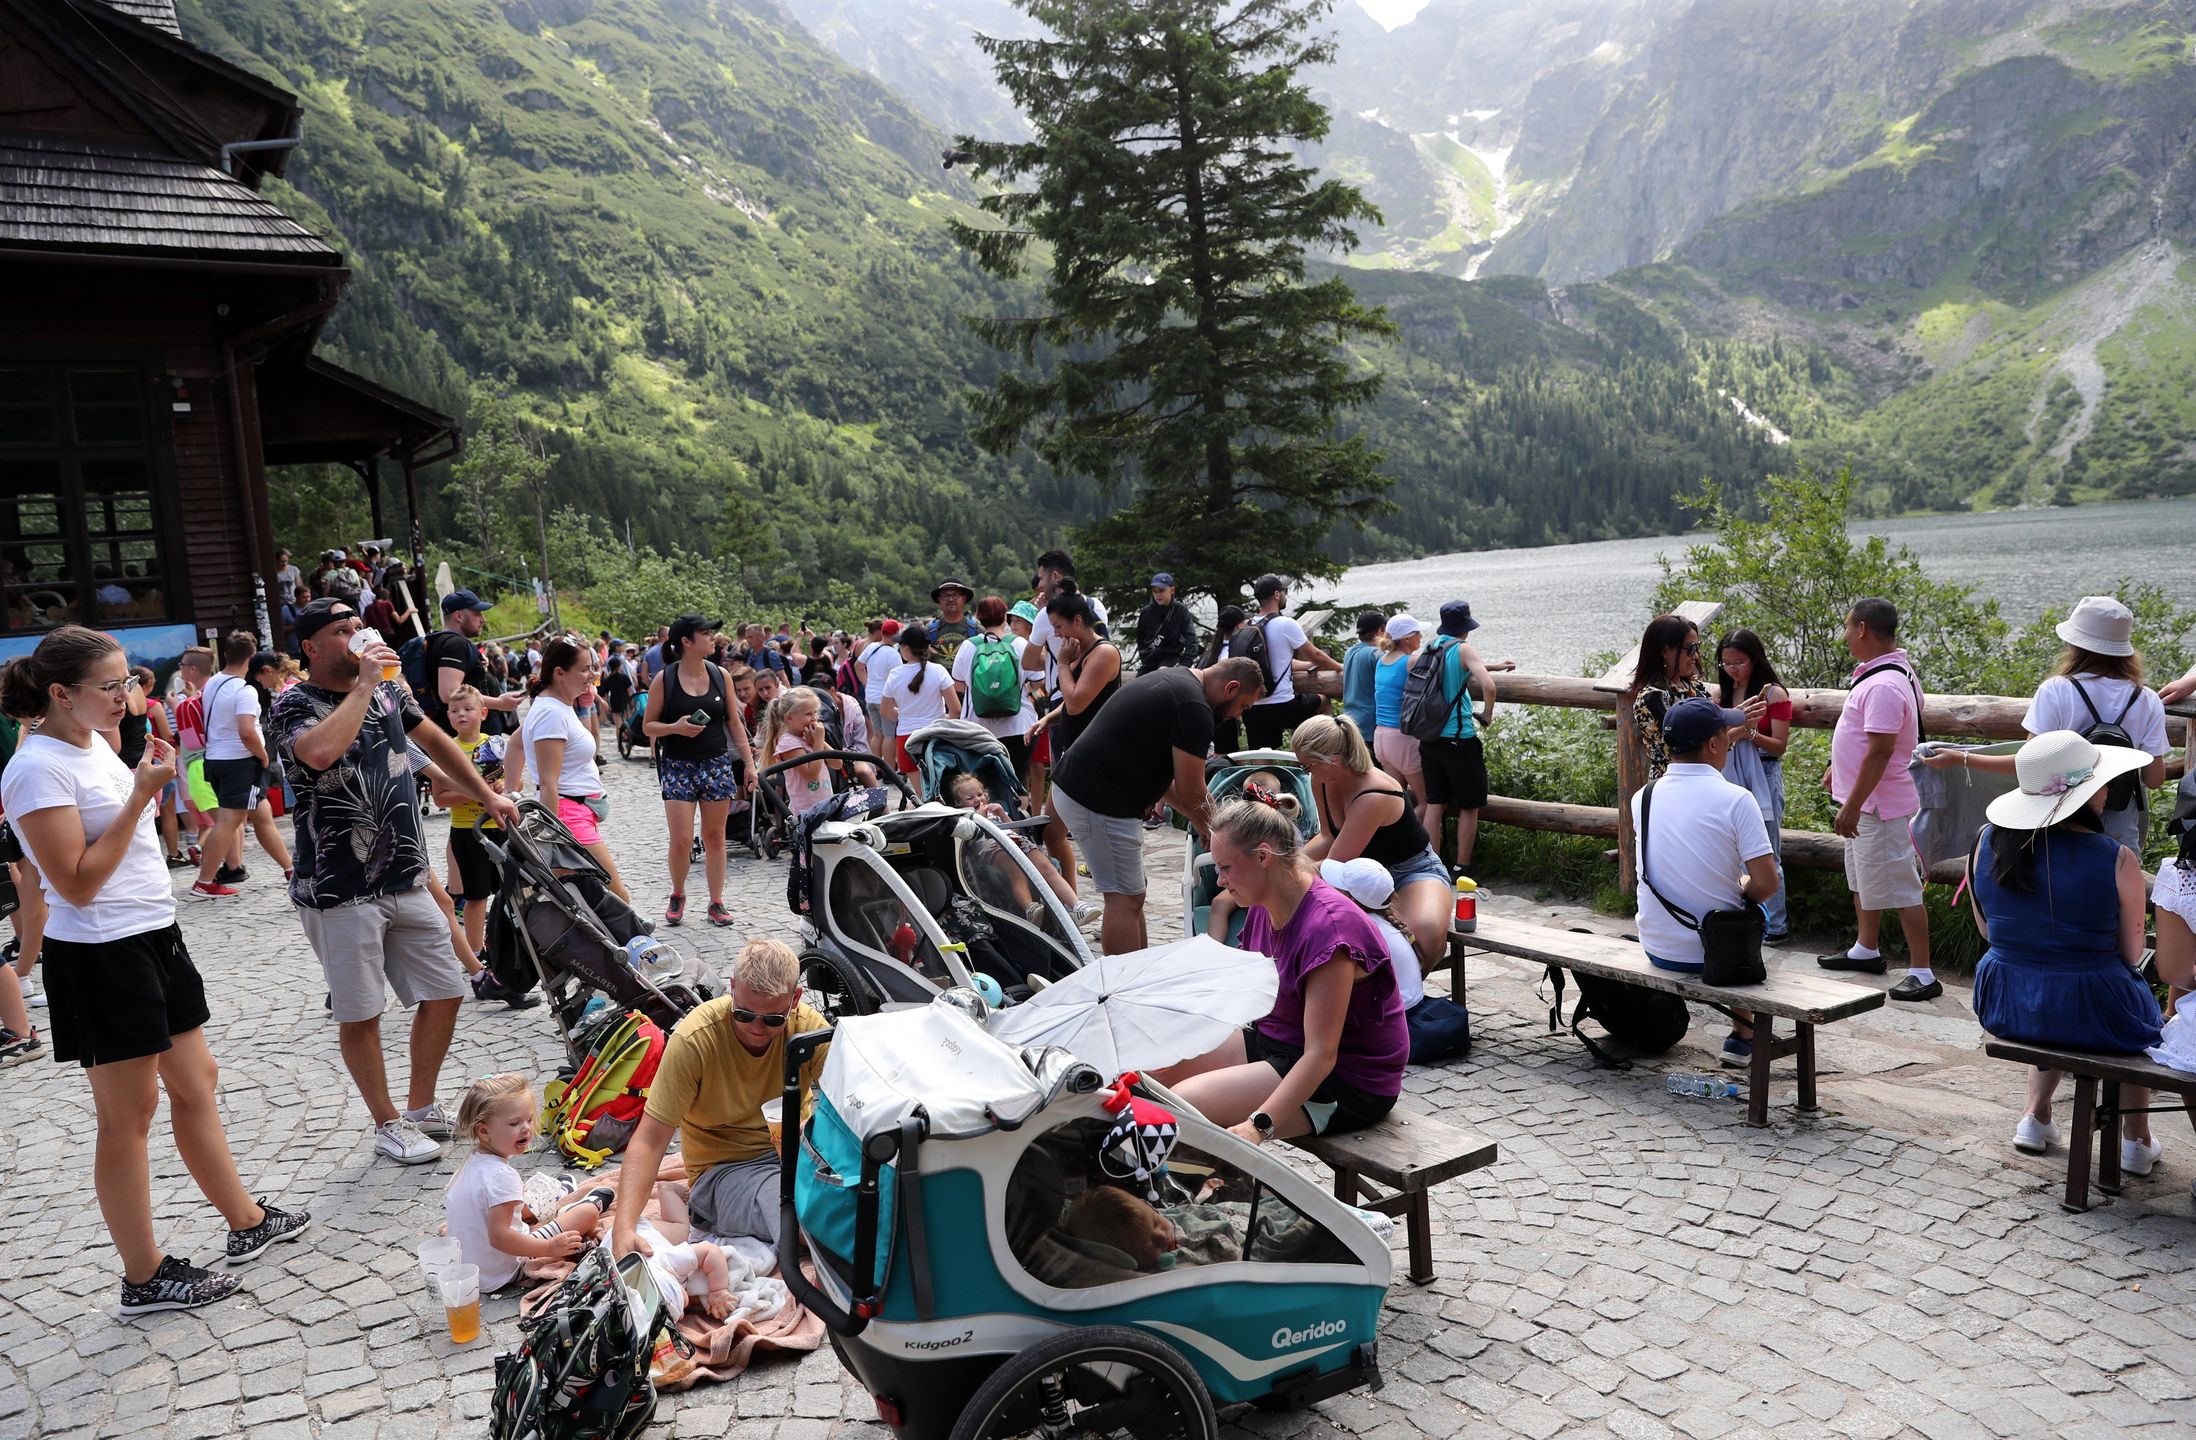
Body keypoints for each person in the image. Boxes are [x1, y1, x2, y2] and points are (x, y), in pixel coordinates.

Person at [3, 626, 310, 1312]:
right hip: (100, 952)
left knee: (197, 1081)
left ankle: (246, 1222)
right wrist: (143, 794)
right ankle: (143, 1275)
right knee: (128, 1115)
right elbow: (75, 884)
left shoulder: (94, 745)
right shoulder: (35, 768)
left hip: (153, 934)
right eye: (110, 686)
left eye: (130, 681)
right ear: (60, 694)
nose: (128, 696)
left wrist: (141, 777)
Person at [274, 598, 522, 1166]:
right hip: (339, 885)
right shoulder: (293, 703)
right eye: (342, 631)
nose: (357, 635)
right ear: (310, 647)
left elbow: (431, 742)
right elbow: (317, 754)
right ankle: (386, 1122)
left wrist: (485, 794)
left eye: (358, 625)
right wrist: (364, 684)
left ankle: (418, 1108)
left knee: (445, 990)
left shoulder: (390, 688)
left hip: (406, 874)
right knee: (361, 1011)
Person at [1966, 731, 2173, 1173]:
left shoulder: (1986, 841)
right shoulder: (2117, 857)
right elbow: (2131, 950)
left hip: (2004, 999)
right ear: (2087, 791)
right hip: (2091, 1006)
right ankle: (2136, 1140)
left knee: (2056, 990)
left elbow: (1988, 930)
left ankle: (2035, 1117)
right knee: (2139, 1013)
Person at [1158, 798, 1407, 1141]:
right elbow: (1246, 992)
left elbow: (1321, 1055)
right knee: (1154, 1074)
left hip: (1345, 1079)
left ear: (1263, 857)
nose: (1219, 881)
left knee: (1178, 1109)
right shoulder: (1264, 900)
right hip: (1279, 1041)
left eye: (1226, 868)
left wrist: (1256, 1127)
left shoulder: (1330, 930)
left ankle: (1204, 1189)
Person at [610, 940, 830, 1254]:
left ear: (795, 999)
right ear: (732, 987)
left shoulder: (807, 1028)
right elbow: (649, 1139)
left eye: (772, 1020)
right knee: (807, 1223)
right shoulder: (696, 1038)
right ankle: (693, 1202)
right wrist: (624, 1228)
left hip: (798, 1154)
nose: (757, 1028)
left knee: (852, 1205)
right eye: (744, 1014)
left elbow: (853, 1100)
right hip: (725, 1170)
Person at [1918, 596, 2169, 854]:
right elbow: (2154, 778)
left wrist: (1961, 758)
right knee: (2117, 889)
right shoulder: (2146, 698)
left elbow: (2028, 765)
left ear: (2075, 645)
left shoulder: (2057, 691)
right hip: (2119, 827)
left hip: (2057, 820)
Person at [1047, 658, 1265, 953]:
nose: (1239, 716)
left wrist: (1210, 827)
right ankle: (1123, 989)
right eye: (1244, 707)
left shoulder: (1177, 682)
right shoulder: (1194, 707)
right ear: (1231, 687)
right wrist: (1217, 835)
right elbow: (1193, 791)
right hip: (1097, 798)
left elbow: (1168, 783)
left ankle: (1141, 979)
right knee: (1123, 898)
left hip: (1086, 788)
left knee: (1132, 896)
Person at [1630, 698, 1782, 1067]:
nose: (1730, 741)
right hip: (1714, 955)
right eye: (1724, 735)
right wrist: (1744, 886)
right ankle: (1742, 1036)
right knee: (1750, 905)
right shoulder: (1736, 799)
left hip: (1659, 945)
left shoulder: (1643, 797)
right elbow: (1768, 883)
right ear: (1714, 745)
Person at [1817, 598, 1936, 1001]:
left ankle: (1923, 971)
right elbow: (1870, 739)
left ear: (1863, 628)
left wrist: (1852, 802)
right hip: (1868, 799)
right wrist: (1840, 768)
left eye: (1848, 627)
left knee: (1901, 885)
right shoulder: (1890, 671)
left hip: (1879, 805)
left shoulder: (1884, 683)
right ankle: (1865, 949)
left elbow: (1883, 749)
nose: (1846, 635)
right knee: (1863, 876)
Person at [1293, 713, 1453, 969]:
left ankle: (1404, 999)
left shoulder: (1373, 795)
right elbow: (1328, 837)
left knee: (1423, 934)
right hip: (1361, 872)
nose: (1306, 772)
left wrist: (1288, 871)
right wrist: (1291, 862)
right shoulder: (1322, 778)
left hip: (1413, 871)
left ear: (1332, 760)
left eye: (1307, 766)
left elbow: (1334, 862)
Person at [444, 1073, 614, 1293]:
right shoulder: (501, 1176)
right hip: (505, 1270)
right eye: (514, 1123)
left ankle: (558, 1197)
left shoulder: (471, 1162)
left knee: (519, 1201)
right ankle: (576, 1201)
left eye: (529, 1119)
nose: (526, 1128)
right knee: (588, 1214)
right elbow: (499, 1238)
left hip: (471, 1270)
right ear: (484, 1130)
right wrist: (549, 1247)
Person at [643, 615, 755, 928]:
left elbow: (734, 722)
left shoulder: (721, 675)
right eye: (705, 634)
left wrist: (748, 764)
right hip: (678, 765)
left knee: (715, 836)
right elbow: (647, 725)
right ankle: (678, 893)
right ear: (686, 642)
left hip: (716, 763)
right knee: (680, 839)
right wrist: (675, 727)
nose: (712, 638)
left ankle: (716, 901)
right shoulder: (664, 679)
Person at [1318, 857, 1471, 1064]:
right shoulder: (1380, 920)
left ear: (1350, 899)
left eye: (1335, 887)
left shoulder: (1361, 930)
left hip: (1393, 1016)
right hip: (1407, 1006)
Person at [522, 636, 630, 905]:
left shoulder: (556, 706)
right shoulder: (552, 713)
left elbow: (515, 744)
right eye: (585, 669)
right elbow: (548, 783)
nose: (592, 675)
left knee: (581, 906)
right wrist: (553, 838)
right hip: (569, 818)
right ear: (560, 673)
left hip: (577, 813)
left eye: (592, 667)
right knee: (618, 899)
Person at [439, 686, 529, 1001]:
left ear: (483, 713)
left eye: (467, 709)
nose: (461, 715)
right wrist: (481, 792)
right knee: (476, 897)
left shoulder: (496, 745)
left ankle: (506, 943)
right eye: (454, 711)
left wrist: (504, 787)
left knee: (508, 893)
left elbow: (516, 783)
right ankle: (476, 955)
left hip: (500, 827)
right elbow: (440, 798)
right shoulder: (445, 750)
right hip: (467, 830)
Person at [189, 631, 292, 899]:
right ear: (252, 656)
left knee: (262, 816)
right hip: (239, 762)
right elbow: (247, 731)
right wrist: (263, 755)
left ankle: (291, 869)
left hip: (216, 759)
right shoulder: (244, 690)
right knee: (228, 821)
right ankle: (205, 882)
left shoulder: (213, 682)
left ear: (226, 654)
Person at [1717, 629, 1793, 943]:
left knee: (1767, 850)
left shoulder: (1774, 694)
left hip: (1764, 772)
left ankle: (1776, 924)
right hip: (1730, 773)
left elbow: (1779, 745)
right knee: (1730, 851)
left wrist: (1749, 733)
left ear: (1755, 659)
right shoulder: (1720, 694)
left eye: (1739, 662)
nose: (1733, 669)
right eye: (1726, 663)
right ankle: (1742, 916)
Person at [1420, 601, 1506, 874]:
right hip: (1459, 739)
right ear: (1466, 627)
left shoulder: (1431, 647)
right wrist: (1487, 714)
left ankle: (1433, 867)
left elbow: (1464, 667)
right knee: (1470, 805)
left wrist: (1493, 665)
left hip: (1430, 738)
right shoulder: (1464, 648)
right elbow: (1488, 686)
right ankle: (1462, 867)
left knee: (1435, 804)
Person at [1238, 573, 1342, 752]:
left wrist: (1307, 666)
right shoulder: (1286, 623)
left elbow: (1277, 661)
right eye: (1284, 591)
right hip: (1283, 707)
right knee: (1323, 701)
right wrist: (1340, 667)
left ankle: (1260, 779)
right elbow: (1316, 655)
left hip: (1253, 709)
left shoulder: (1247, 625)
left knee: (1261, 760)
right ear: (1277, 595)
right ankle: (1314, 754)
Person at [1027, 582, 1120, 761]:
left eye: (1059, 626)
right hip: (1076, 749)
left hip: (1097, 753)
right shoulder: (1078, 650)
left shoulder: (1103, 653)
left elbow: (1075, 704)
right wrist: (1048, 719)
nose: (1056, 633)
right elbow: (1075, 697)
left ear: (1077, 620)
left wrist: (1062, 663)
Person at [951, 596, 1039, 781]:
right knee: (1017, 780)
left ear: (978, 617)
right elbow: (1039, 682)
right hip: (1019, 726)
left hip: (977, 728)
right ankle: (1017, 811)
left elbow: (959, 686)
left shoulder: (968, 646)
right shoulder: (1020, 644)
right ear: (1004, 616)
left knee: (983, 783)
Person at [1625, 613, 1712, 782]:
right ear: (1665, 651)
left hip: (1704, 781)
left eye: (1697, 647)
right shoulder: (1651, 699)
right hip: (1670, 787)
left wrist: (1743, 724)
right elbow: (1680, 750)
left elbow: (1716, 741)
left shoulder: (1696, 688)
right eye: (1691, 649)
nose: (1696, 656)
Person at [425, 591, 521, 734]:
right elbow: (449, 693)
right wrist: (500, 704)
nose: (483, 619)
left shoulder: (440, 640)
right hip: (466, 739)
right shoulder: (455, 644)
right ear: (459, 616)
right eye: (477, 613)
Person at [881, 625, 960, 779]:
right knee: (943, 793)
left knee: (922, 800)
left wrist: (903, 713)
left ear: (906, 649)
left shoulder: (895, 675)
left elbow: (885, 712)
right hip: (936, 737)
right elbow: (956, 709)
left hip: (907, 740)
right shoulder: (939, 671)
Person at [1370, 615, 1428, 823]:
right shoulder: (1410, 661)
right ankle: (1417, 844)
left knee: (1397, 800)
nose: (1421, 636)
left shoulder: (1381, 661)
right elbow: (1444, 668)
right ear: (1406, 638)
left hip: (1382, 736)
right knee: (1428, 802)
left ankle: (1395, 847)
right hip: (1402, 738)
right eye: (1417, 633)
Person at [759, 687, 841, 811]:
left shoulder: (811, 738)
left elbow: (837, 763)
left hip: (825, 804)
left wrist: (819, 741)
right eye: (808, 714)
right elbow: (811, 775)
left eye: (815, 712)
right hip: (806, 810)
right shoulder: (788, 743)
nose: (814, 718)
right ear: (789, 718)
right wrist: (817, 742)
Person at [1203, 605, 1249, 755]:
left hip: (1210, 709)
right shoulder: (1232, 653)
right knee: (1228, 755)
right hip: (1224, 709)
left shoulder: (1213, 652)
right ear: (1238, 626)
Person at [1135, 573, 1197, 675]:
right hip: (1151, 659)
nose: (1158, 594)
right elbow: (1140, 638)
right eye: (1155, 591)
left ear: (1172, 590)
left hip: (1172, 657)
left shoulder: (1180, 610)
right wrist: (1144, 657)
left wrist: (1185, 665)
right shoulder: (1146, 612)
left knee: (1163, 673)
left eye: (1161, 591)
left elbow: (1191, 638)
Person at [1339, 610, 1384, 739]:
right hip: (1370, 724)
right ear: (1380, 631)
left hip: (1350, 720)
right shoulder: (1376, 655)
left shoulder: (1350, 652)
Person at [929, 579, 982, 665]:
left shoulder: (977, 631)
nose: (950, 599)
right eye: (946, 595)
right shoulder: (928, 631)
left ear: (964, 599)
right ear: (939, 600)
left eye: (955, 595)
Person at [599, 642, 636, 737]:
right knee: (628, 719)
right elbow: (629, 690)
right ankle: (627, 736)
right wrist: (632, 700)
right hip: (625, 700)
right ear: (619, 666)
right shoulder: (624, 677)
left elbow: (605, 694)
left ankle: (620, 739)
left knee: (618, 723)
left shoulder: (608, 680)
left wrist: (607, 705)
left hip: (614, 701)